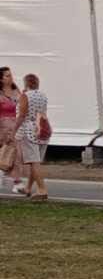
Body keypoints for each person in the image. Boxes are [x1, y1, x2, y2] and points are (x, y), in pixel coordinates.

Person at [13, 73, 50, 202]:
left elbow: (22, 115)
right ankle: (28, 188)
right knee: (36, 161)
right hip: (42, 128)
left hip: (28, 130)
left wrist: (14, 130)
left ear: (26, 83)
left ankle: (42, 189)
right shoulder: (42, 95)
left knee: (34, 162)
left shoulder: (25, 96)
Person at [0, 67, 21, 193]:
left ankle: (16, 182)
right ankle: (15, 181)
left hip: (15, 126)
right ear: (1, 79)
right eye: (7, 75)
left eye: (11, 75)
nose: (11, 77)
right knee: (7, 152)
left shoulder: (15, 90)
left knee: (13, 153)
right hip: (2, 126)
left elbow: (22, 105)